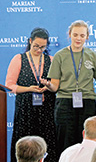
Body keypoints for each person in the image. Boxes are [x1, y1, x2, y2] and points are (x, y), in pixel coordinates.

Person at [40, 20, 96, 156]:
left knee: (88, 143)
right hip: (65, 102)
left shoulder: (91, 55)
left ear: (87, 37)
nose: (78, 38)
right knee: (65, 142)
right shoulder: (60, 56)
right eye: (75, 35)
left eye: (82, 35)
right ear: (69, 35)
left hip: (87, 102)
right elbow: (55, 87)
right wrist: (48, 85)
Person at [5, 28, 57, 162]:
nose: (39, 50)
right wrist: (28, 89)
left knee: (47, 141)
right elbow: (10, 85)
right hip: (25, 109)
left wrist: (48, 86)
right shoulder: (19, 59)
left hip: (46, 109)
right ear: (30, 41)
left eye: (43, 47)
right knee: (25, 142)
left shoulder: (51, 60)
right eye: (36, 46)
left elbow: (56, 86)